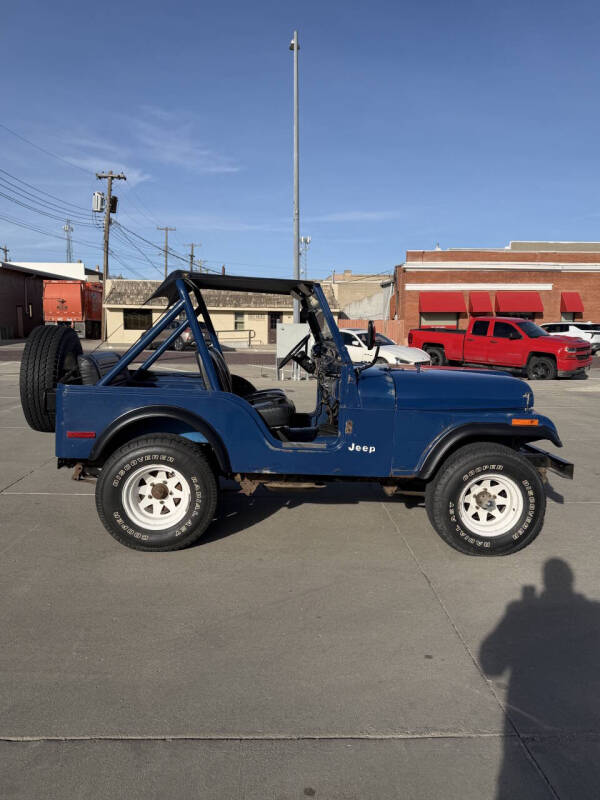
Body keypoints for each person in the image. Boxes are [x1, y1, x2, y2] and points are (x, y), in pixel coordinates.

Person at [480, 559, 600, 798]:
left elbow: (491, 663)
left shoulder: (523, 613)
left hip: (531, 719)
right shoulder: (594, 612)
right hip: (587, 729)